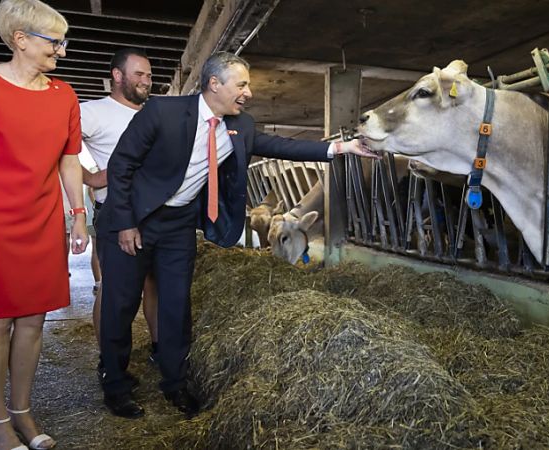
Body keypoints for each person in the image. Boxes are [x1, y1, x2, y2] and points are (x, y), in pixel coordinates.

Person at [97, 51, 378, 418]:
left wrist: (341, 147)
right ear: (215, 84)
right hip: (135, 218)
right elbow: (121, 165)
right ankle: (115, 383)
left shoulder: (239, 125)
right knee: (120, 303)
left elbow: (281, 147)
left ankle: (174, 383)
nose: (248, 93)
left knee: (176, 305)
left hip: (179, 226)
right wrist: (125, 223)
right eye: (241, 84)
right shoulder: (162, 112)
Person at [0, 1, 87, 449]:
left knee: (33, 321)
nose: (61, 52)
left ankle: (23, 414)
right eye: (54, 42)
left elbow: (69, 160)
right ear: (20, 39)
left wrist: (77, 215)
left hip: (42, 219)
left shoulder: (64, 94)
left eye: (63, 42)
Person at [79, 48, 159, 379]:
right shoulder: (92, 111)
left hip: (156, 212)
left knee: (156, 285)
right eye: (139, 74)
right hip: (116, 210)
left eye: (150, 76)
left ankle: (159, 348)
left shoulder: (154, 112)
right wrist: (92, 177)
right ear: (117, 75)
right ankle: (108, 360)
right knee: (113, 289)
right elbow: (55, 148)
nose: (146, 81)